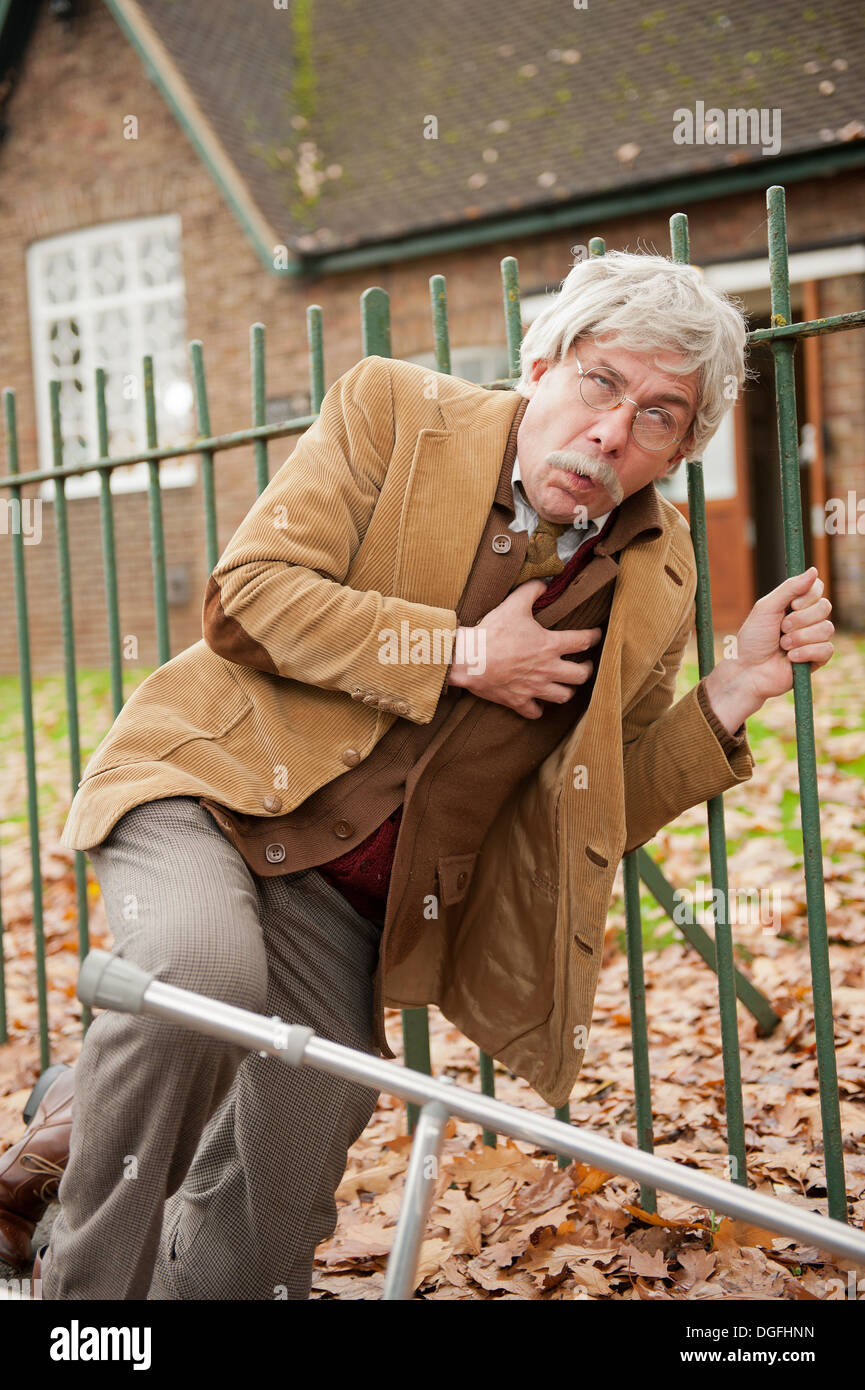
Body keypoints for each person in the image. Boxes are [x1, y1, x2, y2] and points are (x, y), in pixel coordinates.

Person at [3, 251, 834, 1300]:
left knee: (269, 1225)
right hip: (207, 794)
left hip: (348, 903)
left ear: (683, 445)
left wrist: (734, 688)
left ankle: (99, 1143)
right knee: (202, 981)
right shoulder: (394, 412)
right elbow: (247, 597)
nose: (614, 430)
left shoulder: (653, 583)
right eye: (600, 381)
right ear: (540, 363)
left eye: (660, 415)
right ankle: (81, 1304)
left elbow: (588, 810)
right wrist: (460, 653)